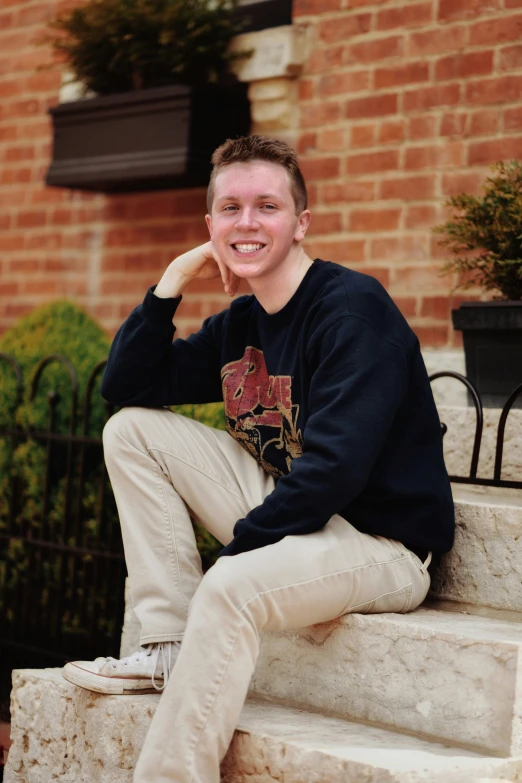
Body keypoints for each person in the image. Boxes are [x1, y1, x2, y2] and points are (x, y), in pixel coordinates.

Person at [62, 135, 454, 783]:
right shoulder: (240, 322)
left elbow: (334, 471)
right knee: (131, 430)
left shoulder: (351, 311)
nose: (247, 222)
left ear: (302, 223)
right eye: (231, 208)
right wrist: (172, 281)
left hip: (381, 544)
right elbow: (126, 387)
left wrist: (237, 550)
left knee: (229, 587)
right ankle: (164, 647)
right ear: (211, 224)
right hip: (295, 510)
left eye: (267, 206)